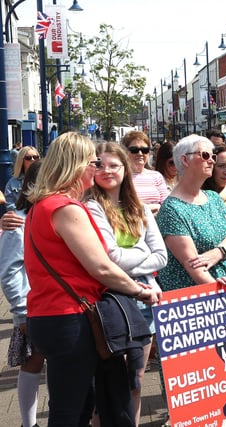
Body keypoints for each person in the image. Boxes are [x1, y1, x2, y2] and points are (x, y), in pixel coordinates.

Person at [23, 132, 162, 426]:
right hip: (69, 318)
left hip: (51, 315)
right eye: (93, 162)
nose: (96, 168)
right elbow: (102, 266)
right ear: (76, 166)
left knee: (78, 404)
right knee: (71, 411)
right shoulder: (66, 209)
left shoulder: (43, 206)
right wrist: (140, 291)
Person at [156, 134, 226, 387]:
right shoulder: (172, 209)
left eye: (212, 156)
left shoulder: (213, 198)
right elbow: (193, 266)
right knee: (210, 371)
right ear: (184, 160)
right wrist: (216, 290)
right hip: (201, 301)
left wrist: (219, 252)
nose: (211, 160)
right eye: (205, 155)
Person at [86, 142, 168, 426]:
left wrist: (130, 258)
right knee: (106, 383)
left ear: (125, 169)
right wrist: (142, 252)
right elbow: (110, 258)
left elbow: (162, 257)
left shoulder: (141, 209)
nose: (106, 171)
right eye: (100, 164)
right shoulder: (90, 208)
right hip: (108, 302)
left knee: (137, 378)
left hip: (144, 301)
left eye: (114, 165)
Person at [0, 160, 45, 427]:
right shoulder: (19, 221)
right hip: (32, 307)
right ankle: (29, 424)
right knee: (32, 363)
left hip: (57, 305)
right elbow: (8, 271)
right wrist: (20, 312)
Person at [122, 130, 169, 214]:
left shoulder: (156, 176)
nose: (140, 153)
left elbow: (166, 206)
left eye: (144, 150)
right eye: (134, 149)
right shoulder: (121, 176)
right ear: (125, 151)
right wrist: (154, 207)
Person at [5, 146, 40, 211]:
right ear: (21, 161)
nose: (32, 160)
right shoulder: (12, 183)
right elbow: (9, 204)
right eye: (28, 158)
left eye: (35, 157)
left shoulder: (45, 179)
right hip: (21, 218)